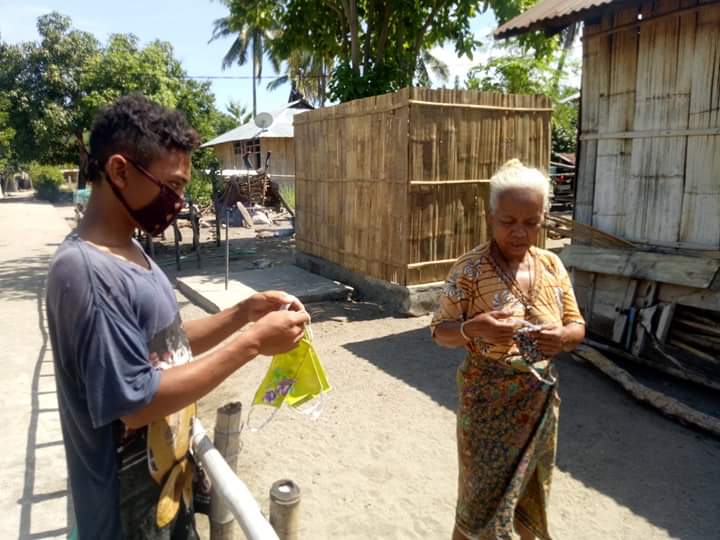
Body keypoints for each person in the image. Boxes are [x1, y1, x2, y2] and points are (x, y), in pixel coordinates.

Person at [46, 94, 310, 540]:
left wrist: (244, 313)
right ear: (118, 171)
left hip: (165, 503)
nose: (179, 200)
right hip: (124, 521)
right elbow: (137, 403)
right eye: (172, 185)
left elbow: (165, 344)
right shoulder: (87, 273)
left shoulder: (129, 248)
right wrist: (251, 344)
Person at [431, 159, 586, 540]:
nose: (519, 232)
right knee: (478, 499)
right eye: (508, 221)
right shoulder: (469, 269)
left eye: (530, 222)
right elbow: (439, 332)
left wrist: (562, 338)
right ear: (491, 216)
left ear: (543, 218)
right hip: (486, 402)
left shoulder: (551, 265)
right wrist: (473, 328)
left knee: (531, 492)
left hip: (538, 400)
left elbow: (577, 324)